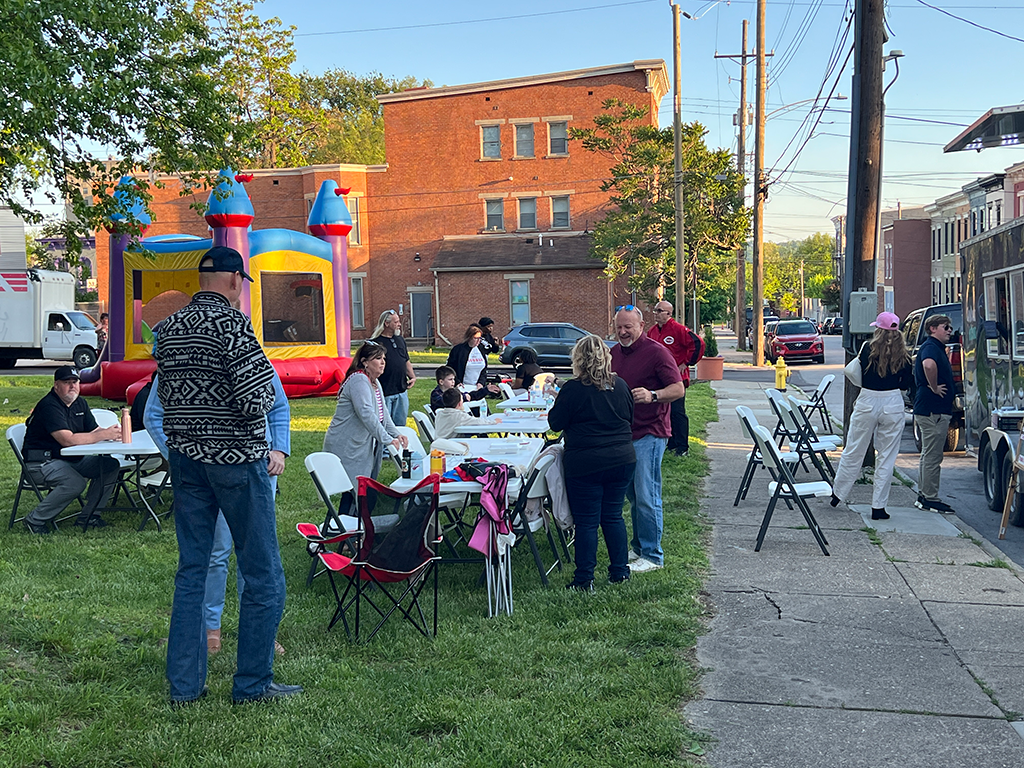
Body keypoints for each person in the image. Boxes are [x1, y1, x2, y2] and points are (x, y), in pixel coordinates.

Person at [154, 245, 299, 706]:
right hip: (237, 461)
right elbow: (260, 398)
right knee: (263, 575)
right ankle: (252, 685)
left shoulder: (169, 328)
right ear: (236, 281)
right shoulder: (232, 325)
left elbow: (162, 400)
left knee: (193, 571)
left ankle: (185, 686)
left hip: (185, 461)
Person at [146, 367, 291, 657]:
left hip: (256, 472)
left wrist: (278, 449)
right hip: (209, 477)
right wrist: (180, 457)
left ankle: (261, 633)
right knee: (215, 553)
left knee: (257, 555)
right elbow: (153, 415)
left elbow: (278, 407)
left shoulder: (251, 358)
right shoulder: (178, 360)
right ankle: (211, 629)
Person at [548, 335, 636, 590]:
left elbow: (555, 423)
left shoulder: (573, 389)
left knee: (586, 521)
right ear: (606, 358)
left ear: (578, 359)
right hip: (622, 457)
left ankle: (584, 578)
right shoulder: (620, 385)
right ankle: (620, 571)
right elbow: (629, 417)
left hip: (586, 460)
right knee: (613, 516)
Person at [610, 306, 685, 574]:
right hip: (624, 433)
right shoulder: (614, 353)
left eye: (628, 327)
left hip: (650, 432)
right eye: (619, 326)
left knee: (646, 495)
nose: (622, 332)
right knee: (632, 495)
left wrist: (653, 395)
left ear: (641, 325)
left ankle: (653, 555)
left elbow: (678, 389)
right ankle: (640, 548)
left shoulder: (657, 352)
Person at [829, 312, 913, 520]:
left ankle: (838, 494)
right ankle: (878, 507)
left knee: (854, 448)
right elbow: (906, 383)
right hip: (892, 401)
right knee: (886, 456)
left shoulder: (867, 348)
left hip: (868, 400)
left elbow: (857, 371)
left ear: (878, 329)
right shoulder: (904, 354)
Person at [20, 366, 121, 533]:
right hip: (41, 463)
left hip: (71, 460)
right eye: (67, 382)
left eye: (75, 382)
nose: (72, 386)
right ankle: (34, 520)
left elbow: (94, 430)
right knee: (75, 482)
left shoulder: (80, 402)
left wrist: (112, 433)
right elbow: (67, 440)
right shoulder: (49, 406)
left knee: (109, 465)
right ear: (56, 385)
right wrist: (103, 435)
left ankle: (89, 517)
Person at [323, 341, 408, 482]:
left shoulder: (374, 381)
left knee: (362, 490)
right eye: (378, 358)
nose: (383, 362)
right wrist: (387, 439)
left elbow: (383, 415)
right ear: (365, 362)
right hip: (348, 444)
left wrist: (396, 434)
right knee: (354, 489)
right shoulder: (359, 380)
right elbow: (366, 414)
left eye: (384, 359)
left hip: (362, 444)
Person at [913, 314, 955, 513]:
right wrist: (935, 387)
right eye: (945, 327)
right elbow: (928, 365)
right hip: (933, 410)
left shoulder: (935, 347)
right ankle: (930, 497)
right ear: (932, 328)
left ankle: (923, 494)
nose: (949, 331)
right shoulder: (930, 347)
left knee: (928, 454)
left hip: (930, 409)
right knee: (933, 455)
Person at [647, 301, 698, 456]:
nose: (656, 313)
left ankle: (683, 446)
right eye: (655, 310)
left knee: (677, 411)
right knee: (664, 411)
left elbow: (697, 344)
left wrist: (686, 363)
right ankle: (672, 442)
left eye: (659, 310)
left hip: (676, 377)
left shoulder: (679, 330)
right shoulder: (653, 331)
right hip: (660, 378)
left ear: (668, 314)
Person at [369, 309, 416, 429]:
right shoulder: (375, 343)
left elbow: (405, 359)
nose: (399, 324)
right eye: (396, 322)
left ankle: (399, 447)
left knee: (400, 426)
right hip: (385, 391)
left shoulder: (400, 340)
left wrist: (412, 376)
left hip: (401, 390)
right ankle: (384, 448)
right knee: (385, 426)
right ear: (386, 323)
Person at [433, 387, 503, 440]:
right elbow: (478, 422)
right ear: (460, 403)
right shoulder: (459, 416)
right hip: (450, 446)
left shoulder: (440, 413)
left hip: (437, 445)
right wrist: (494, 421)